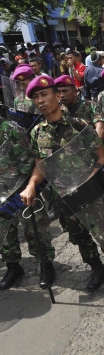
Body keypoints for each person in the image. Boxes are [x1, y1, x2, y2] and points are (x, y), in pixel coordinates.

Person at [20, 75, 104, 292]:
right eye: (35, 97)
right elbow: (40, 165)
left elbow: (101, 155)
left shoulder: (77, 124)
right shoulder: (37, 133)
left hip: (90, 194)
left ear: (57, 96)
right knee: (79, 237)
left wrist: (89, 181)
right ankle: (97, 268)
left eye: (44, 94)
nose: (40, 100)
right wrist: (32, 185)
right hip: (63, 199)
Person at [0, 117, 54, 290]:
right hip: (0, 191)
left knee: (34, 228)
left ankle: (46, 265)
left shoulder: (11, 129)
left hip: (20, 188)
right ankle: (13, 267)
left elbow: (28, 159)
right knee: (5, 231)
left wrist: (19, 185)